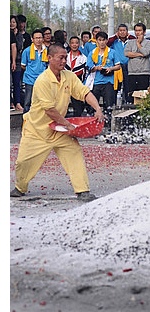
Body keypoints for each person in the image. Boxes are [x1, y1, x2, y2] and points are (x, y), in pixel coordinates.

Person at [10, 43, 104, 202]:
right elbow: (50, 110)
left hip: (58, 129)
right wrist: (68, 125)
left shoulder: (69, 76)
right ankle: (20, 187)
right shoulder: (42, 81)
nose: (63, 61)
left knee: (74, 152)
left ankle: (82, 190)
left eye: (65, 57)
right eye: (60, 57)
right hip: (36, 130)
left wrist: (97, 109)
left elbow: (84, 92)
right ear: (50, 58)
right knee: (23, 162)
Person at [86, 31, 120, 113]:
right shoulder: (93, 53)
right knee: (93, 104)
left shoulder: (112, 52)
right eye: (99, 40)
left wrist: (110, 69)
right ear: (96, 41)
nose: (101, 42)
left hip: (109, 81)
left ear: (107, 40)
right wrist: (96, 68)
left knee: (108, 104)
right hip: (96, 82)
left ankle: (107, 122)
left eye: (103, 40)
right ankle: (93, 121)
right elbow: (89, 67)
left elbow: (118, 66)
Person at [21, 29, 49, 113]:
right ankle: (26, 122)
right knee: (28, 102)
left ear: (43, 39)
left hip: (43, 80)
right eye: (36, 38)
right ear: (32, 39)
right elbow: (23, 65)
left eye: (40, 38)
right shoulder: (27, 51)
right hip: (30, 80)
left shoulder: (46, 50)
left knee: (43, 102)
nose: (38, 40)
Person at [124, 22, 150, 104]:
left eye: (140, 30)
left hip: (144, 72)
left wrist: (138, 44)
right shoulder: (130, 42)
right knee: (131, 95)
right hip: (132, 73)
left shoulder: (148, 42)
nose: (138, 32)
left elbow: (146, 52)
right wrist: (140, 54)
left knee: (143, 96)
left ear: (144, 32)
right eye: (136, 30)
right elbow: (127, 53)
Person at [107, 23, 135, 104]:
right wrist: (115, 36)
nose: (122, 32)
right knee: (116, 86)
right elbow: (107, 43)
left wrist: (129, 36)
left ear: (127, 32)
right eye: (120, 31)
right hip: (117, 66)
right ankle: (113, 103)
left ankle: (128, 102)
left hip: (128, 65)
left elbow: (136, 40)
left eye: (124, 30)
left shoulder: (131, 41)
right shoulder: (114, 42)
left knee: (128, 85)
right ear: (117, 32)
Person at [66, 35, 88, 117]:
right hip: (65, 84)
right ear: (70, 44)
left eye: (76, 43)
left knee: (78, 107)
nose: (74, 45)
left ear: (79, 44)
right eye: (72, 43)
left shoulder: (83, 58)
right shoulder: (65, 57)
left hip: (77, 84)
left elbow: (85, 73)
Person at [10, 15, 23, 111]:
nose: (11, 24)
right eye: (10, 22)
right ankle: (10, 102)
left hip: (17, 61)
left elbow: (18, 47)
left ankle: (17, 102)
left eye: (13, 22)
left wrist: (14, 36)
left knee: (17, 83)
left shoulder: (19, 34)